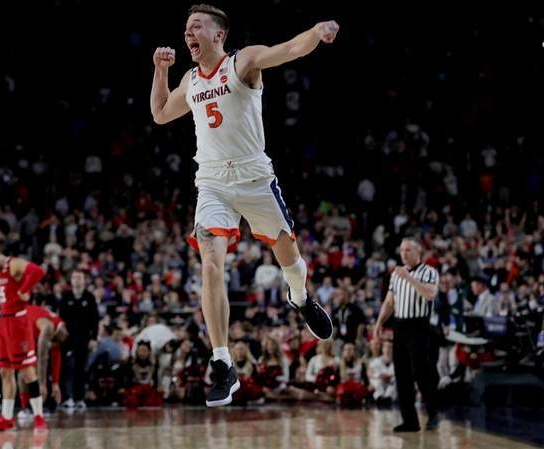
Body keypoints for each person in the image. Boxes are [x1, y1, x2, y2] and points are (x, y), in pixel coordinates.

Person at [150, 3, 337, 407]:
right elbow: (161, 113)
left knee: (288, 254)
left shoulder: (243, 62)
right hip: (212, 182)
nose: (188, 33)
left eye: (196, 26)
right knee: (210, 264)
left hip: (254, 177)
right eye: (186, 28)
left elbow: (289, 49)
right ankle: (222, 362)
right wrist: (160, 71)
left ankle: (300, 297)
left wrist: (316, 31)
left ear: (218, 34)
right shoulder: (190, 79)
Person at [0, 243, 48, 431]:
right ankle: (6, 418)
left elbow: (37, 271)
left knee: (27, 372)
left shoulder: (13, 264)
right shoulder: (0, 270)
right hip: (4, 323)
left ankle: (39, 417)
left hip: (18, 323)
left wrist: (24, 289)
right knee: (5, 371)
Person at [373, 238, 440, 432]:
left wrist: (409, 277)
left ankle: (433, 414)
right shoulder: (396, 275)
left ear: (418, 252)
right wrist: (379, 322)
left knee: (421, 372)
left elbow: (430, 294)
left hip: (419, 326)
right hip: (400, 326)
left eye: (408, 250)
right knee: (402, 374)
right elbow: (389, 302)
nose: (404, 253)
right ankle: (410, 421)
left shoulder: (429, 272)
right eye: (402, 250)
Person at [17, 305, 68, 419]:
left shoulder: (59, 327)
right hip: (21, 330)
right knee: (24, 371)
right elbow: (42, 357)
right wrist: (42, 384)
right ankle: (25, 406)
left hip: (33, 331)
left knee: (40, 372)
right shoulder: (48, 328)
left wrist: (55, 383)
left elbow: (56, 357)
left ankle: (43, 403)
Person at [59, 270, 99, 410]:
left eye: (80, 277)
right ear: (71, 280)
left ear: (84, 280)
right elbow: (60, 318)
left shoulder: (89, 297)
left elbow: (95, 319)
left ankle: (79, 398)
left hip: (83, 338)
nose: (77, 280)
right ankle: (66, 397)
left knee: (80, 368)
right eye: (74, 277)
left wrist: (93, 338)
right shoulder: (66, 297)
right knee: (66, 367)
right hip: (67, 338)